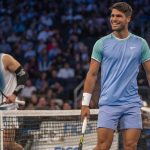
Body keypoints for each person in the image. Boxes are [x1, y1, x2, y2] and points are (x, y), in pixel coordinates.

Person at [81, 2, 150, 150]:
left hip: (131, 103)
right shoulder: (101, 43)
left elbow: (149, 72)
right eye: (112, 15)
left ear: (128, 19)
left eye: (119, 16)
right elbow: (92, 74)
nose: (114, 19)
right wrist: (85, 104)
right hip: (108, 103)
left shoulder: (140, 43)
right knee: (103, 146)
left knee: (131, 146)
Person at [0, 52, 28, 150]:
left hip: (8, 110)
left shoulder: (5, 59)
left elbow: (23, 75)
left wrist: (14, 94)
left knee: (7, 144)